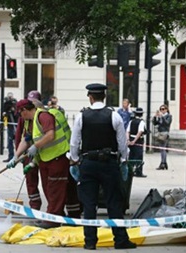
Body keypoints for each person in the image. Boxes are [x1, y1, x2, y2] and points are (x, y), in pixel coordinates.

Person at [69, 83, 136, 250]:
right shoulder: (114, 116)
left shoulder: (81, 117)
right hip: (109, 163)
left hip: (88, 163)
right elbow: (122, 143)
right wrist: (123, 161)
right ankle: (120, 240)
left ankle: (90, 241)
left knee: (89, 203)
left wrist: (75, 160)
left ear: (90, 97)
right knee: (114, 202)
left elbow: (74, 143)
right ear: (104, 97)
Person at [8, 98, 81, 228]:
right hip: (45, 159)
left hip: (58, 157)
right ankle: (57, 216)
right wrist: (15, 156)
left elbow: (50, 135)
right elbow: (25, 139)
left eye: (20, 113)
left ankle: (53, 219)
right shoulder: (29, 121)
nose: (20, 116)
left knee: (55, 190)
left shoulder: (44, 116)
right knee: (49, 189)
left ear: (25, 110)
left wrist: (35, 146)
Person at [14, 90, 43, 210]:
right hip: (29, 153)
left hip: (44, 152)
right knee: (31, 181)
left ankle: (53, 212)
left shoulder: (43, 115)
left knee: (48, 183)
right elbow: (20, 136)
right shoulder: (24, 118)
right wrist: (17, 155)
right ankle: (35, 206)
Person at [127, 108, 147, 177]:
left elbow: (127, 131)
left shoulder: (131, 121)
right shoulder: (141, 122)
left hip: (131, 139)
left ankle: (130, 171)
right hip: (138, 140)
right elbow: (140, 132)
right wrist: (134, 141)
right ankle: (138, 172)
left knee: (131, 156)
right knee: (139, 157)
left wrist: (128, 140)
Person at [153, 104, 172, 170]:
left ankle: (163, 163)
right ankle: (164, 163)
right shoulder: (160, 116)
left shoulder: (168, 116)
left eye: (163, 109)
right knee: (161, 149)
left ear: (166, 109)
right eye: (161, 109)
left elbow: (167, 123)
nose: (162, 110)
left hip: (165, 133)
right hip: (160, 133)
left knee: (163, 148)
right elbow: (155, 123)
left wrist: (162, 117)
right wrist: (155, 117)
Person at [2, 92, 17, 162]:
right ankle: (11, 156)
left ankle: (18, 156)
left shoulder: (15, 104)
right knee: (10, 141)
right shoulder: (6, 104)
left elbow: (17, 113)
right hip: (10, 124)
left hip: (16, 124)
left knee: (17, 141)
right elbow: (4, 111)